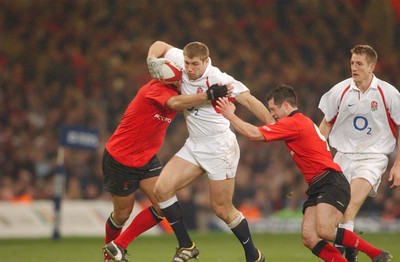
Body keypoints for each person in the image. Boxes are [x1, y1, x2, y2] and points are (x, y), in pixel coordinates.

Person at [216, 84, 392, 262]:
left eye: (273, 109)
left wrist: (230, 115)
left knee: (325, 230)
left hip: (331, 182)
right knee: (310, 237)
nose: (272, 114)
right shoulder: (297, 122)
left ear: (286, 105)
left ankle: (376, 254)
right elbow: (267, 127)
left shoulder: (294, 123)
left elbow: (254, 134)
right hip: (319, 184)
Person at [146, 41, 274, 262]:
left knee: (222, 209)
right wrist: (151, 60)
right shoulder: (180, 61)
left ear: (206, 61)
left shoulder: (219, 79)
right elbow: (159, 45)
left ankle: (254, 256)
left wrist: (274, 126)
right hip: (195, 144)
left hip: (219, 147)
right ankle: (187, 246)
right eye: (187, 63)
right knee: (162, 190)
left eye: (195, 64)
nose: (189, 68)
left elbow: (250, 101)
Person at [101, 71, 230, 262]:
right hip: (122, 159)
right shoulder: (156, 89)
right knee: (122, 214)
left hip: (147, 158)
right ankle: (109, 256)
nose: (186, 82)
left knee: (163, 202)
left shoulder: (179, 89)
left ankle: (119, 245)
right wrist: (208, 95)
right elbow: (175, 104)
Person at [318, 44, 400, 261]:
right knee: (334, 217)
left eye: (359, 64)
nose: (354, 67)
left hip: (373, 158)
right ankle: (351, 250)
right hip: (342, 157)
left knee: (349, 206)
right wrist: (315, 156)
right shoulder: (340, 91)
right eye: (352, 63)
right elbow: (325, 126)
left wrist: (398, 165)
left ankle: (346, 256)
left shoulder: (388, 93)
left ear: (371, 67)